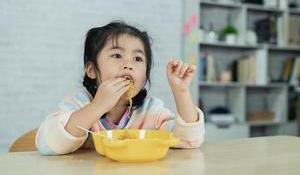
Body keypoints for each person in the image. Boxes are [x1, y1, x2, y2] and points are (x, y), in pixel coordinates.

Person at [35, 21, 205, 155]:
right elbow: (47, 144)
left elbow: (188, 141)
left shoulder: (151, 110)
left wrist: (181, 92)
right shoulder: (78, 104)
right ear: (92, 70)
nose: (128, 65)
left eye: (137, 59)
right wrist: (97, 106)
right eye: (117, 55)